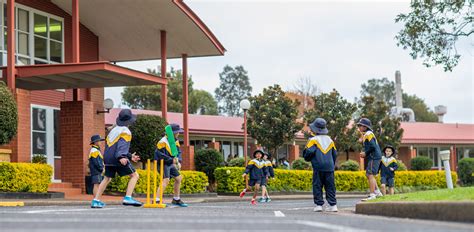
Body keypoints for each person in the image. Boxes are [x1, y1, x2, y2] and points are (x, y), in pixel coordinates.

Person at [91, 109, 142, 208]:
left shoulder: (113, 130)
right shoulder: (126, 131)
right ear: (129, 121)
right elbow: (121, 146)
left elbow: (114, 147)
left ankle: (96, 200)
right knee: (135, 175)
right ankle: (128, 197)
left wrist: (130, 156)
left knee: (106, 179)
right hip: (118, 158)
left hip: (108, 158)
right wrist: (122, 157)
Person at [303, 118, 338, 212]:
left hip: (318, 166)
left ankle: (319, 205)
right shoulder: (330, 140)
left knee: (317, 185)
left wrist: (307, 157)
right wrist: (331, 164)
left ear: (315, 129)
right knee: (330, 186)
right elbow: (335, 154)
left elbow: (308, 153)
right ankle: (333, 205)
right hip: (329, 167)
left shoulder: (313, 140)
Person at [154, 123, 188, 207]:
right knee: (166, 180)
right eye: (177, 132)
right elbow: (159, 154)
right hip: (162, 163)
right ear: (171, 133)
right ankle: (156, 200)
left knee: (179, 178)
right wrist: (171, 160)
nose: (178, 134)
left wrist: (178, 161)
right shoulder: (162, 142)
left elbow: (178, 152)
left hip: (170, 163)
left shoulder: (175, 141)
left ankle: (176, 199)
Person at [357, 118, 382, 201]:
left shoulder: (368, 133)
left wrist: (365, 153)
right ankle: (378, 192)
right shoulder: (367, 134)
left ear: (365, 127)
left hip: (374, 156)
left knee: (370, 174)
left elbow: (373, 146)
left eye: (360, 125)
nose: (359, 127)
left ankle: (372, 194)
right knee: (369, 174)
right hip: (374, 156)